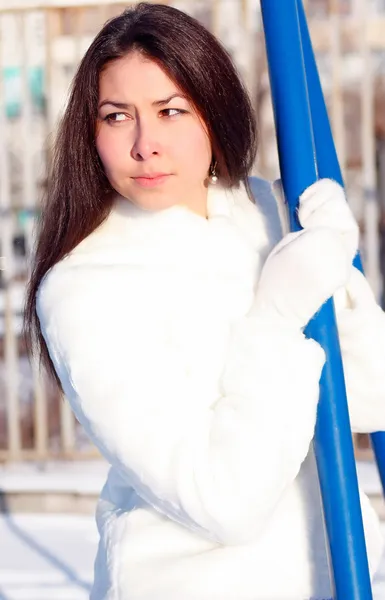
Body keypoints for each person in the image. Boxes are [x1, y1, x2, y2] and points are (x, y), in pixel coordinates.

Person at [24, 3, 385, 599]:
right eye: (118, 117)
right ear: (90, 132)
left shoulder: (265, 212)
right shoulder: (86, 288)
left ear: (213, 112)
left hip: (331, 575)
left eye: (171, 111)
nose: (146, 144)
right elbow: (221, 499)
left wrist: (340, 277)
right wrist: (276, 318)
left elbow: (369, 394)